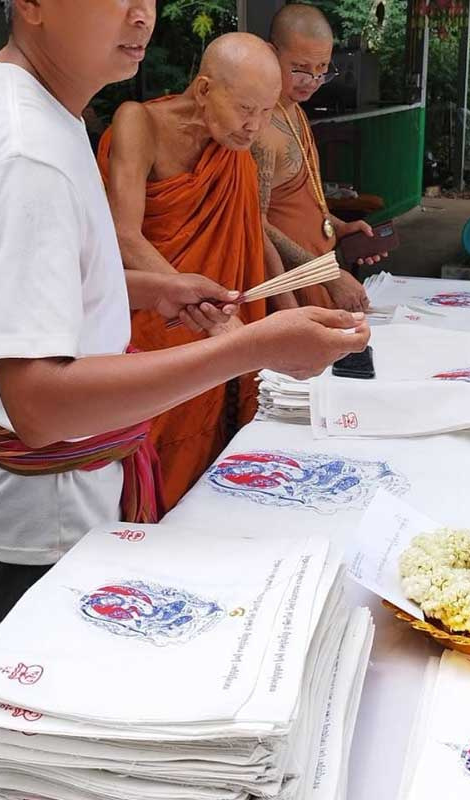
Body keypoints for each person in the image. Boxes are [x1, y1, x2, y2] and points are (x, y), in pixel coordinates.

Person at [0, 0, 370, 662]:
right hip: (35, 526)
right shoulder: (26, 151)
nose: (141, 16)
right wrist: (251, 346)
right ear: (33, 5)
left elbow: (30, 290)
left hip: (26, 507)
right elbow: (40, 403)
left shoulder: (36, 105)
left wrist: (155, 289)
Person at [97, 33, 304, 510]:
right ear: (206, 89)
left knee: (212, 461)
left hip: (212, 320)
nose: (255, 126)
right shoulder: (139, 122)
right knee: (148, 453)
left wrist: (283, 308)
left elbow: (252, 230)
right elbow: (123, 236)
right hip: (152, 321)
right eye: (246, 108)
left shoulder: (231, 150)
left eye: (266, 112)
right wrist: (197, 305)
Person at [253, 3, 385, 313]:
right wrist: (329, 276)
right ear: (272, 53)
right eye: (299, 68)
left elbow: (302, 203)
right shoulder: (258, 127)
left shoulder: (295, 111)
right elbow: (254, 225)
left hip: (320, 273)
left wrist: (338, 227)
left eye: (322, 69)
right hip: (289, 287)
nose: (311, 81)